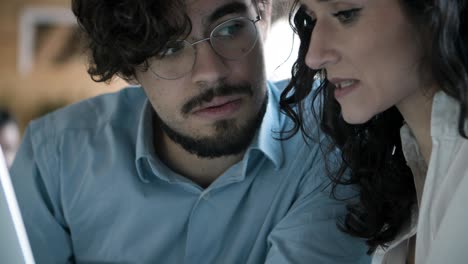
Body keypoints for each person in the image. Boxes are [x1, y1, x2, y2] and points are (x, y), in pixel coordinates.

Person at [10, 0, 369, 263]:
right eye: (170, 48)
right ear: (130, 67)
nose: (211, 72)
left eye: (230, 29)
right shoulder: (56, 155)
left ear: (263, 16)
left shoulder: (330, 136)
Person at [281, 0, 468, 263]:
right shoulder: (405, 172)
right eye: (311, 19)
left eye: (345, 14)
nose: (314, 56)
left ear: (433, 11)